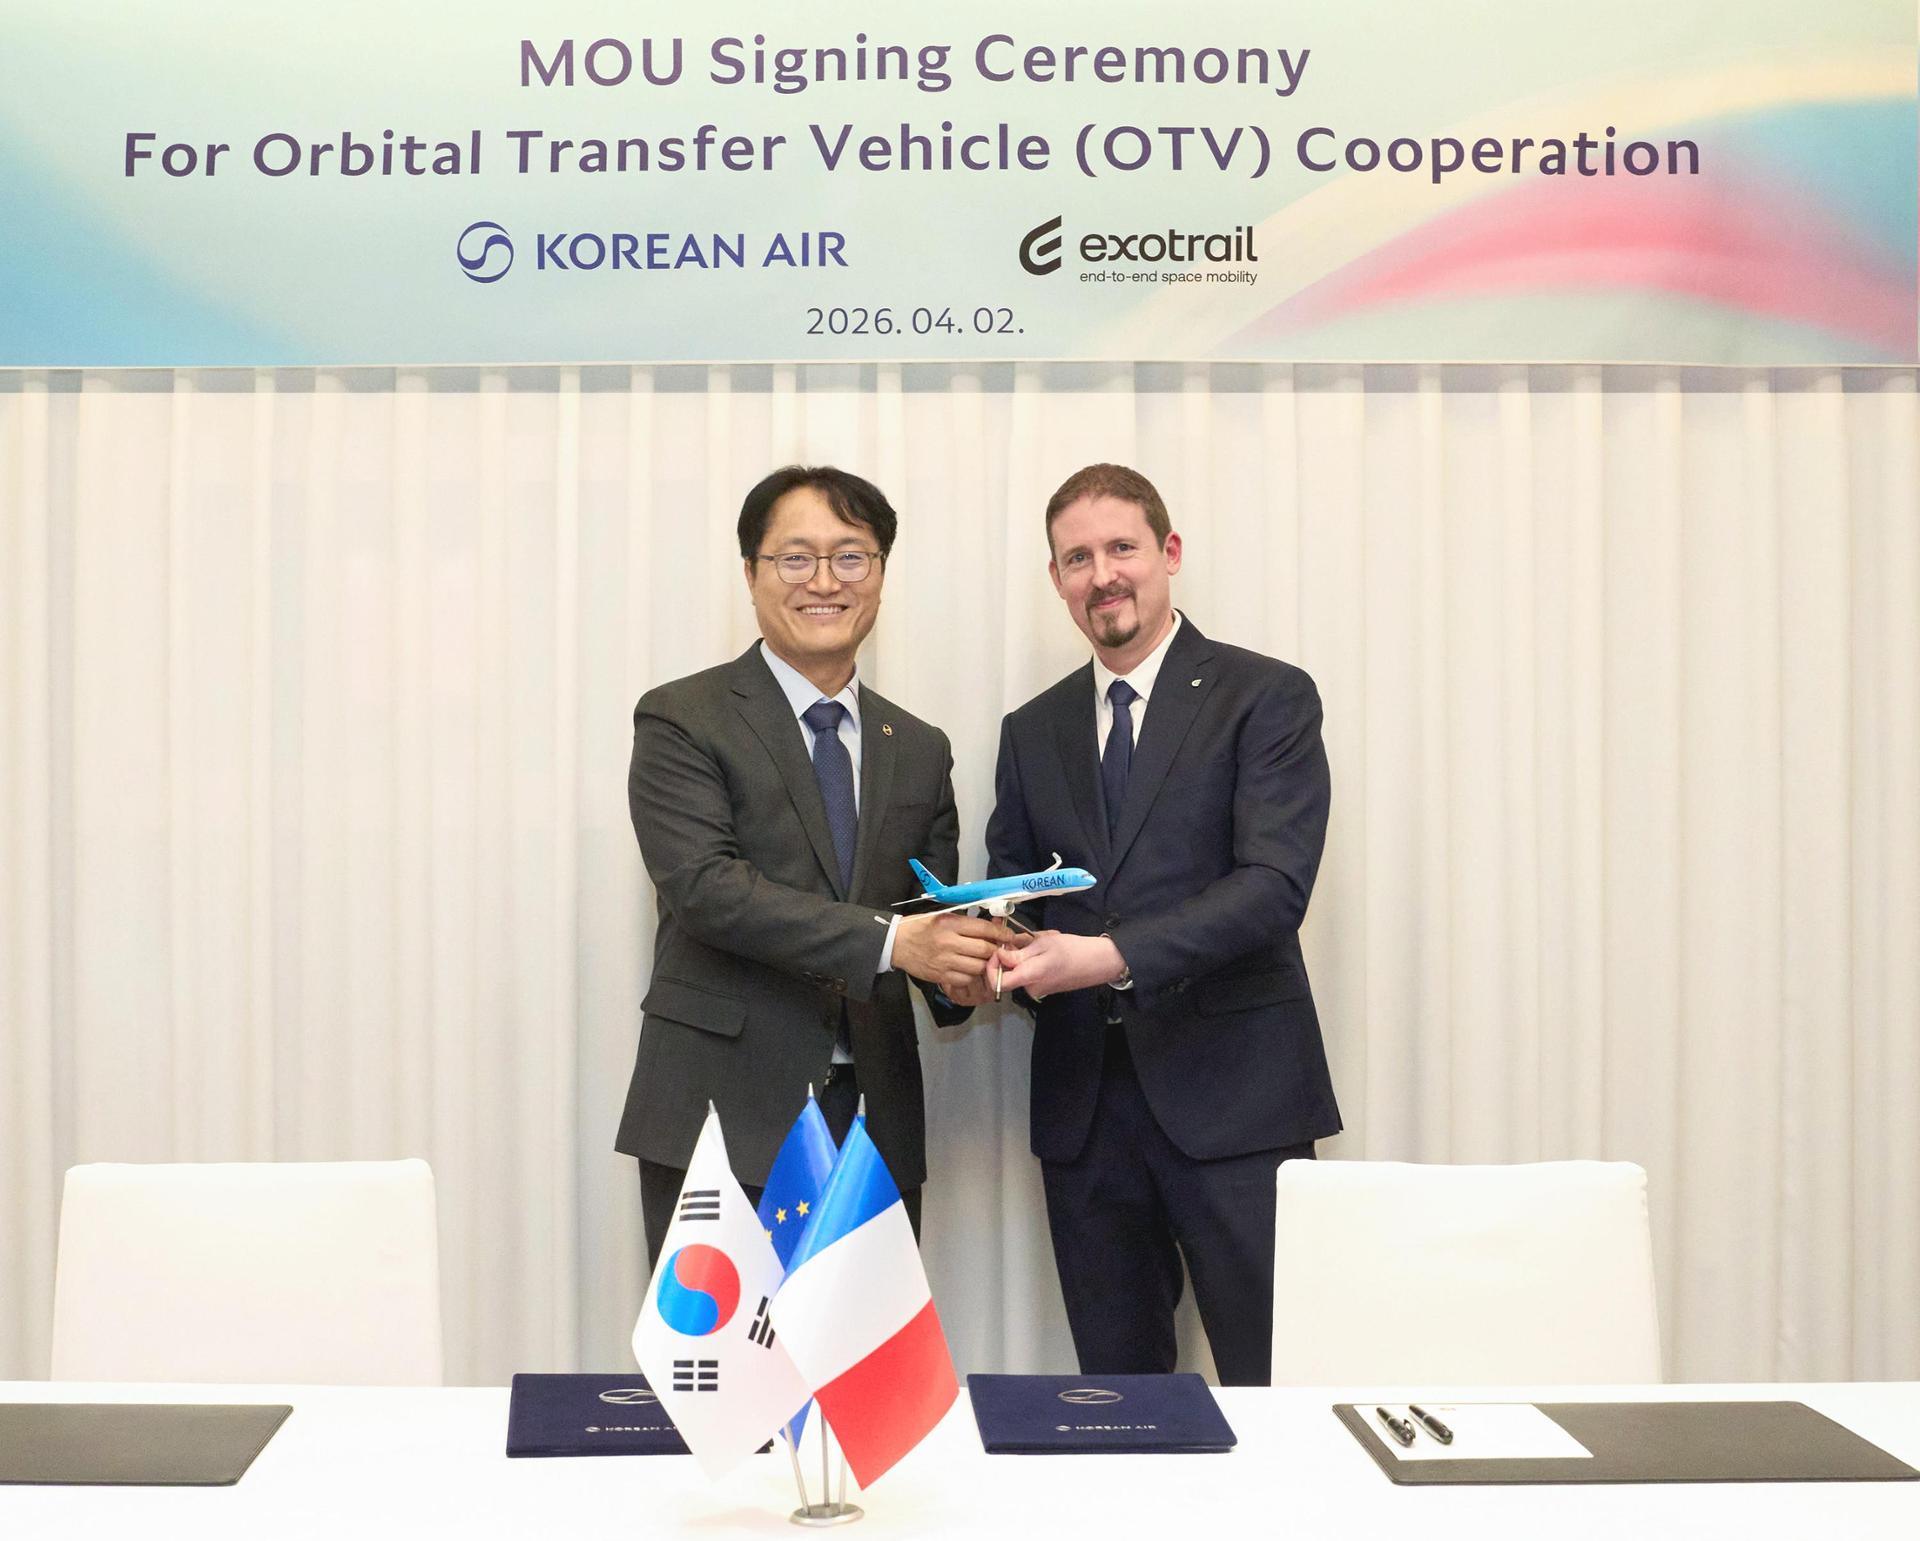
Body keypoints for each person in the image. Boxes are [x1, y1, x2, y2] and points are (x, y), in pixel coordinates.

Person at [986, 463, 1341, 1386]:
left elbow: (1273, 887)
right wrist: (977, 960)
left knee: (1278, 1389)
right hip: (1086, 1118)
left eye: (1121, 548)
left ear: (1169, 553)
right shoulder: (1031, 731)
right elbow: (1013, 895)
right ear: (1056, 579)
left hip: (1238, 1107)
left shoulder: (1267, 696)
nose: (1101, 574)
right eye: (1076, 558)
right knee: (1119, 1403)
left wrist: (1107, 957)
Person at [617, 465, 1006, 1265]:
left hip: (876, 1124)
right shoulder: (682, 717)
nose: (824, 581)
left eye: (851, 557)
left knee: (865, 1388)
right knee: (725, 1386)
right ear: (752, 574)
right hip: (724, 1116)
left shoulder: (920, 747)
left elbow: (927, 917)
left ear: (881, 575)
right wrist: (902, 946)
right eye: (796, 558)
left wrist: (965, 968)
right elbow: (706, 890)